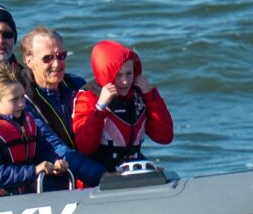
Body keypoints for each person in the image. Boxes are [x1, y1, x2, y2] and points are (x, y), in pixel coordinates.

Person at [0, 61, 72, 198]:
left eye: (22, 97)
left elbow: (44, 149)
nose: (21, 104)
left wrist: (55, 161)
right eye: (14, 100)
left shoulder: (27, 121)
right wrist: (33, 171)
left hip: (23, 195)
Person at [18, 27, 106, 187]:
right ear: (29, 61)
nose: (57, 64)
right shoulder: (21, 99)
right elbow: (55, 147)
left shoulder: (77, 84)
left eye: (61, 56)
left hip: (92, 168)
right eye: (48, 58)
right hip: (54, 180)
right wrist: (103, 176)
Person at [71, 40, 175, 168]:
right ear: (106, 73)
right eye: (118, 75)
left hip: (131, 168)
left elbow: (165, 137)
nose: (125, 81)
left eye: (129, 73)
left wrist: (151, 97)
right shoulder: (89, 97)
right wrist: (100, 107)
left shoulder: (139, 94)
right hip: (99, 172)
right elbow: (85, 147)